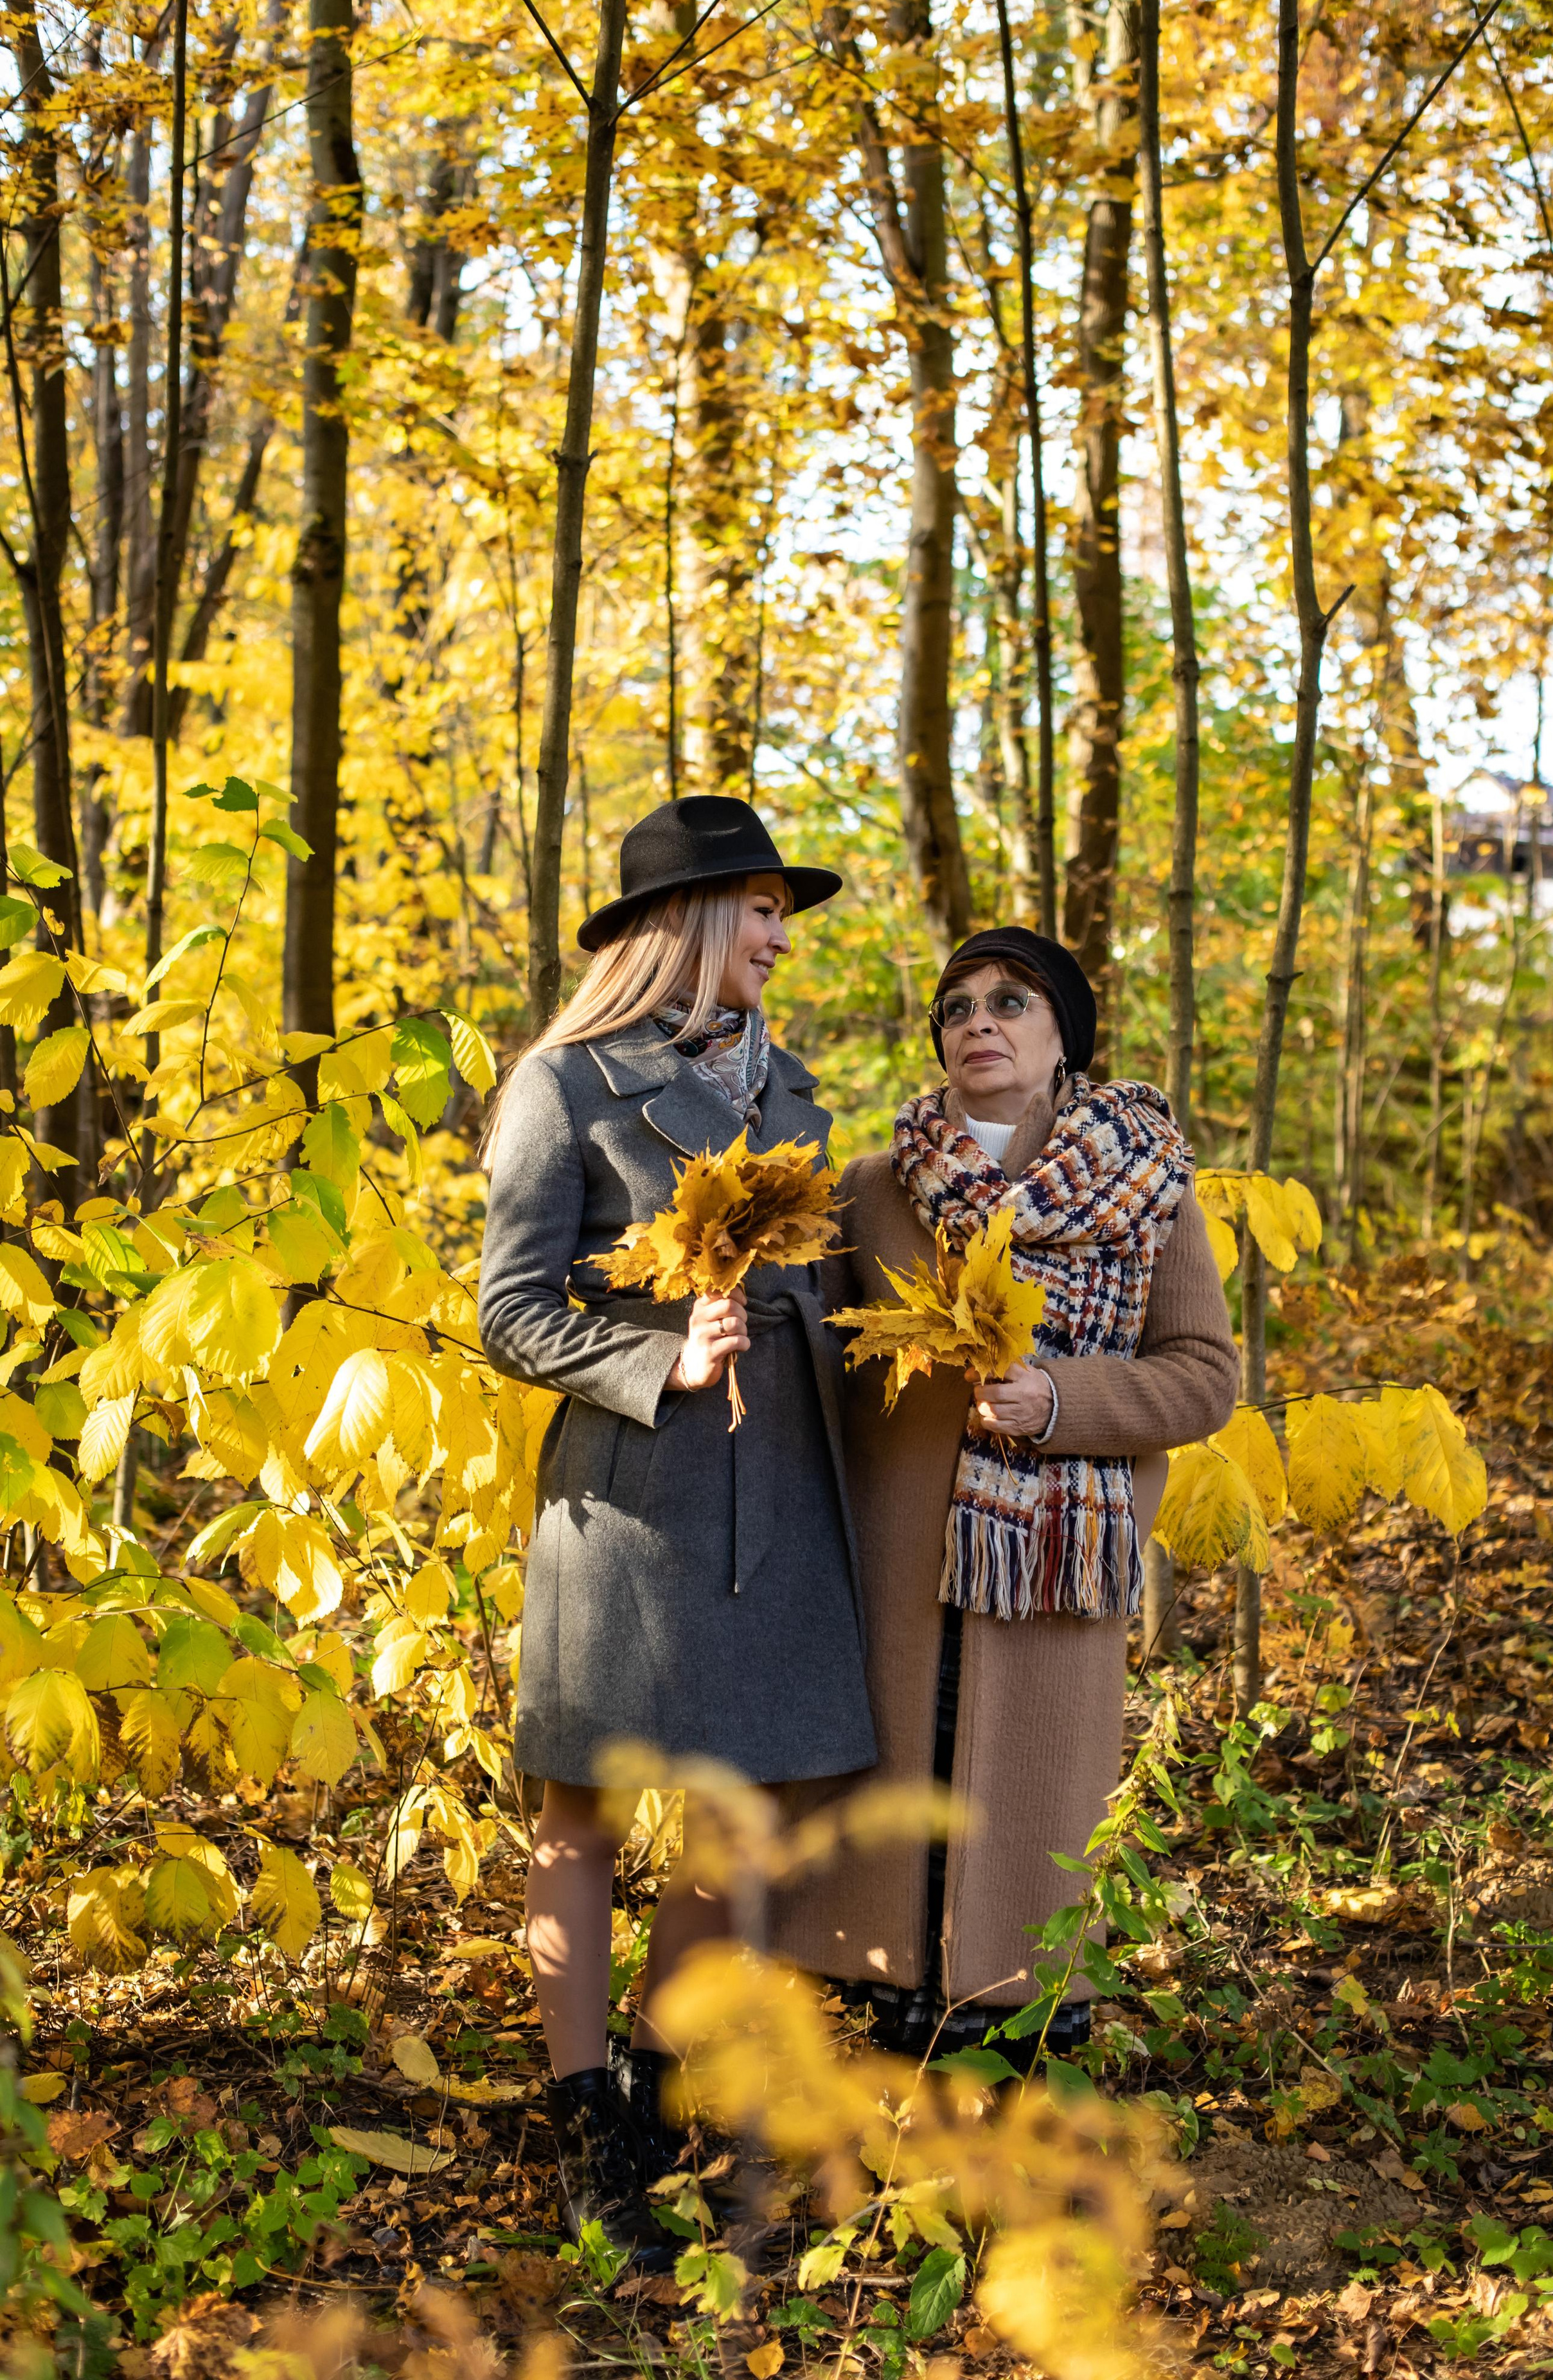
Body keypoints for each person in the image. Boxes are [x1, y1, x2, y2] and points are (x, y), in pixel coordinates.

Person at [478, 795, 875, 2263]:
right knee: (583, 1813)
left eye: (781, 913)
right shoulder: (564, 1085)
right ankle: (584, 2120)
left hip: (779, 1488)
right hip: (628, 1501)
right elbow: (509, 1311)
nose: (780, 937)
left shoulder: (796, 1093)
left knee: (743, 1805)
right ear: (687, 921)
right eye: (760, 909)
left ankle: (657, 2076)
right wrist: (660, 1359)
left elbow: (826, 1285)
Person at [772, 927, 1238, 2058]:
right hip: (893, 1564)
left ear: (1064, 1034)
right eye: (957, 1006)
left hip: (1051, 1563)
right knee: (895, 1779)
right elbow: (804, 1360)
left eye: (1011, 1001)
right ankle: (886, 2003)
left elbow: (1205, 1376)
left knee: (1028, 1797)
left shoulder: (1149, 1186)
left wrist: (1062, 1400)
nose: (978, 1020)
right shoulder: (871, 1189)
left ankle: (1024, 2021)